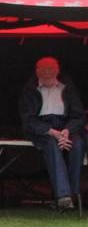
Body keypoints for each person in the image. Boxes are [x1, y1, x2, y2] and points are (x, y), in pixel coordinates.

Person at [18, 56, 85, 211]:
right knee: (51, 145)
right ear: (37, 72)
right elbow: (28, 119)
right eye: (43, 70)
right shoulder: (29, 90)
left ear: (57, 71)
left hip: (66, 126)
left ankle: (73, 193)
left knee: (78, 144)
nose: (47, 73)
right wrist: (52, 132)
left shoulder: (67, 88)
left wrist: (66, 131)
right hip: (42, 128)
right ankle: (63, 197)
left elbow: (79, 116)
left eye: (50, 69)